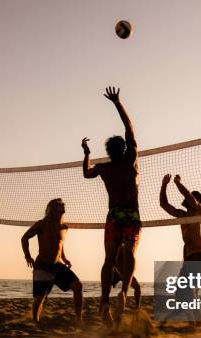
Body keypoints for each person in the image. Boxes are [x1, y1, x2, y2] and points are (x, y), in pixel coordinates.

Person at [82, 86, 140, 321]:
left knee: (108, 259)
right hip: (131, 214)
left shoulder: (104, 168)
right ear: (124, 148)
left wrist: (86, 152)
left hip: (114, 214)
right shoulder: (130, 161)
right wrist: (117, 103)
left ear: (108, 151)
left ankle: (105, 301)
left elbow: (86, 174)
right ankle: (124, 292)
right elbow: (130, 128)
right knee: (130, 251)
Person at [21, 198, 83, 324]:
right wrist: (28, 256)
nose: (63, 205)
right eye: (60, 204)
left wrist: (64, 257)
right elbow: (24, 238)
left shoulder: (64, 226)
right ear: (52, 208)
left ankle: (79, 319)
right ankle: (35, 321)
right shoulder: (42, 224)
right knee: (40, 298)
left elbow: (60, 243)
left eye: (63, 203)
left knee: (78, 286)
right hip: (43, 265)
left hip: (57, 265)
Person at [159, 174, 201, 326]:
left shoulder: (197, 210)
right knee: (182, 293)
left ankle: (196, 323)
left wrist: (177, 182)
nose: (188, 198)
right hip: (190, 258)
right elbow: (164, 204)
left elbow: (188, 195)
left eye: (192, 197)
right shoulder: (181, 215)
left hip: (199, 256)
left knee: (187, 292)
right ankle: (193, 321)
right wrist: (164, 184)